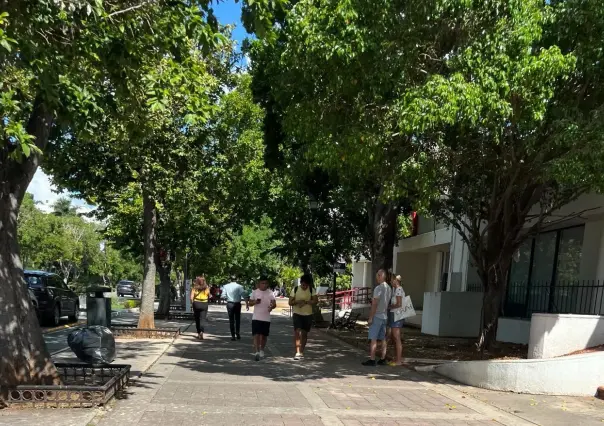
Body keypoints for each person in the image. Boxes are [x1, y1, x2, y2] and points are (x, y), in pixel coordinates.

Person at [362, 269, 392, 366]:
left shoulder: (378, 288)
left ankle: (372, 359)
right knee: (383, 338)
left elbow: (374, 304)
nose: (376, 278)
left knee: (373, 338)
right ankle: (383, 358)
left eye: (377, 276)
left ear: (380, 276)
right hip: (384, 315)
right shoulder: (389, 288)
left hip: (377, 315)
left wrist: (370, 317)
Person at [289, 274, 318, 360]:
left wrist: (306, 302)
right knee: (297, 332)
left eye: (306, 285)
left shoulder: (311, 290)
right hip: (297, 313)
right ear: (301, 283)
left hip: (308, 314)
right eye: (303, 285)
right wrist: (297, 302)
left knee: (304, 334)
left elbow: (315, 301)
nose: (305, 287)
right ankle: (297, 352)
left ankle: (301, 351)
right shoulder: (295, 289)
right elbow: (290, 302)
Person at [248, 275, 276, 361]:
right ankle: (256, 352)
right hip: (256, 317)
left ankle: (262, 350)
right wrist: (255, 302)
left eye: (266, 283)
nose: (264, 285)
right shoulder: (254, 292)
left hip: (266, 317)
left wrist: (271, 307)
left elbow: (274, 304)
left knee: (264, 336)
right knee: (256, 335)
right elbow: (250, 303)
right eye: (262, 283)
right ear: (259, 284)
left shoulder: (270, 293)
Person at [222, 277, 249, 341]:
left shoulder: (225, 286)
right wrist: (247, 304)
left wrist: (227, 299)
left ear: (229, 280)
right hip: (237, 304)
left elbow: (223, 295)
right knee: (237, 319)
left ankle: (233, 335)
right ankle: (237, 332)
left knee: (231, 320)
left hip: (230, 303)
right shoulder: (239, 286)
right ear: (236, 280)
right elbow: (244, 295)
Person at [387, 274, 405, 366]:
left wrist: (389, 307)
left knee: (396, 338)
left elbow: (399, 304)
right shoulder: (397, 290)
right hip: (394, 315)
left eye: (391, 280)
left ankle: (398, 360)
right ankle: (396, 358)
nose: (390, 282)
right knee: (394, 337)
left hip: (396, 315)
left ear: (395, 280)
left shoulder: (398, 289)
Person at [190, 275, 210, 340]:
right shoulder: (206, 288)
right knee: (202, 319)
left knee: (197, 319)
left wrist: (192, 303)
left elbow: (191, 297)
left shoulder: (194, 288)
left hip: (196, 303)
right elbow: (209, 296)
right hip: (204, 303)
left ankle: (198, 333)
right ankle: (202, 331)